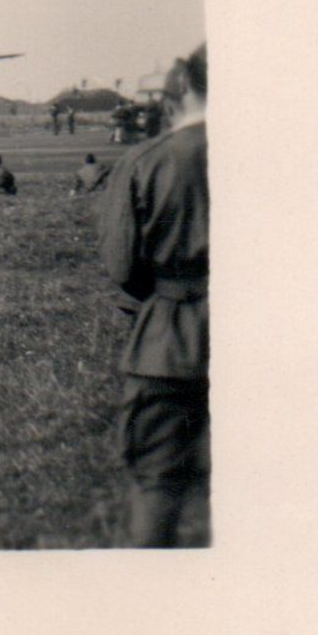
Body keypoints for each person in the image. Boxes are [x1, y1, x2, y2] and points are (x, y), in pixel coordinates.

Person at [98, 43, 209, 547]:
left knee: (158, 483)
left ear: (181, 84)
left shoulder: (147, 160)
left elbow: (121, 265)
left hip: (172, 340)